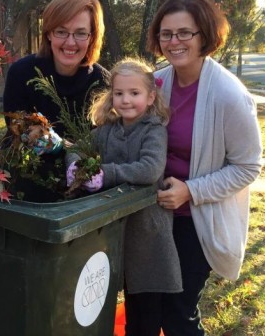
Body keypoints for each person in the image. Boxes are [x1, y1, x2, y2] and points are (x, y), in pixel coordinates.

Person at [145, 0, 263, 335]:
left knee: (179, 313)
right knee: (149, 306)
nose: (174, 41)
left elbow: (248, 166)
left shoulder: (229, 95)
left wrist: (191, 191)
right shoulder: (157, 83)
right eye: (166, 34)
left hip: (197, 219)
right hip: (154, 214)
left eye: (185, 33)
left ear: (205, 36)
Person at [66, 57, 183, 334]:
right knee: (128, 294)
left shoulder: (153, 129)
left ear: (150, 96)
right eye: (119, 93)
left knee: (148, 300)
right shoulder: (107, 130)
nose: (126, 100)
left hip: (148, 229)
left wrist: (105, 173)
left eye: (134, 93)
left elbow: (150, 169)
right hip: (118, 229)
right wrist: (74, 165)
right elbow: (79, 147)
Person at [1, 0, 110, 201]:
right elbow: (17, 130)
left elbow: (101, 147)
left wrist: (63, 146)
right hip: (25, 183)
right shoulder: (22, 73)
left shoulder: (103, 84)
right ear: (49, 33)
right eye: (61, 31)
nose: (70, 42)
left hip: (80, 187)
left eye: (80, 33)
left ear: (92, 37)